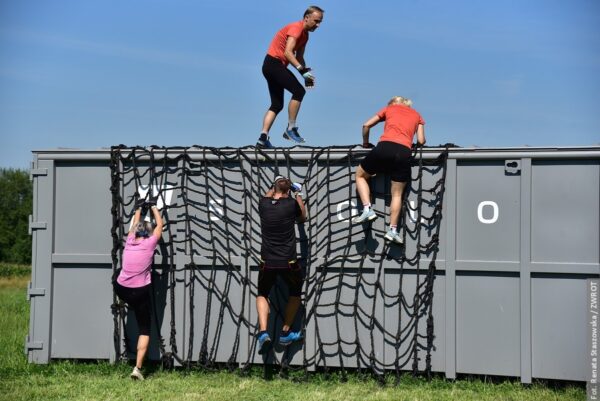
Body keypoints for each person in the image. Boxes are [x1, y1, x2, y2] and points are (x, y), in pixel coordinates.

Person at [352, 96, 426, 244]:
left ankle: (367, 209)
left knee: (360, 175)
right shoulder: (417, 115)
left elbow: (366, 125)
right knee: (397, 195)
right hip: (404, 152)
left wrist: (365, 143)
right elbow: (421, 141)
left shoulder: (389, 109)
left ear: (393, 103)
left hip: (385, 148)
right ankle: (392, 231)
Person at [256, 6, 324, 149]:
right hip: (274, 64)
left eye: (320, 22)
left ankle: (263, 138)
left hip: (270, 66)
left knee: (276, 105)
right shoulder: (296, 28)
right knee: (299, 91)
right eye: (316, 21)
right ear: (306, 17)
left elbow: (299, 57)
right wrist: (301, 71)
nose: (318, 25)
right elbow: (288, 53)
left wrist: (306, 74)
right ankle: (291, 128)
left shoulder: (305, 35)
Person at [256, 175, 307, 354]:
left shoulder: (263, 204)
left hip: (267, 261)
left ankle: (263, 333)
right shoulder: (291, 204)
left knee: (262, 292)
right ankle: (286, 331)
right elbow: (303, 217)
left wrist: (274, 185)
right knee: (295, 292)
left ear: (274, 189)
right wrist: (298, 193)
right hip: (289, 262)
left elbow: (267, 196)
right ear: (288, 191)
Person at [114, 199, 163, 380]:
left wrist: (138, 209)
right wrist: (153, 207)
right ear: (149, 235)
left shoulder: (129, 241)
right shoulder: (150, 244)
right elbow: (161, 225)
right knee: (145, 329)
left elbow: (134, 225)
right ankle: (137, 369)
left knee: (120, 274)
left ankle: (127, 301)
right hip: (139, 292)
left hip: (122, 288)